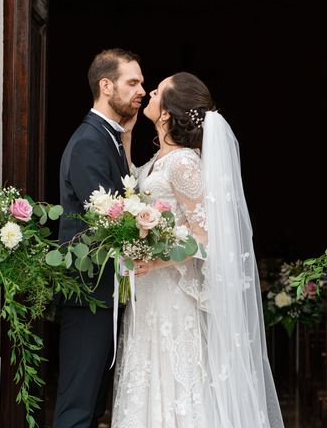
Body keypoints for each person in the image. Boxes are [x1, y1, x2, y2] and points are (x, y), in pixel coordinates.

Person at [111, 72, 284, 427]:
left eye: (157, 91)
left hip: (174, 294)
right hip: (149, 294)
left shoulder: (185, 163)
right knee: (147, 373)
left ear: (167, 113)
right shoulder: (159, 159)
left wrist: (156, 260)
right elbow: (137, 186)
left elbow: (204, 236)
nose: (149, 93)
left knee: (177, 381)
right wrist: (126, 135)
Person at [54, 48, 145, 428]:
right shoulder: (91, 140)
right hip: (87, 294)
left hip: (104, 294)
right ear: (106, 86)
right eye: (133, 82)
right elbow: (109, 218)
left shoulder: (109, 137)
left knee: (91, 409)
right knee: (78, 409)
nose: (142, 90)